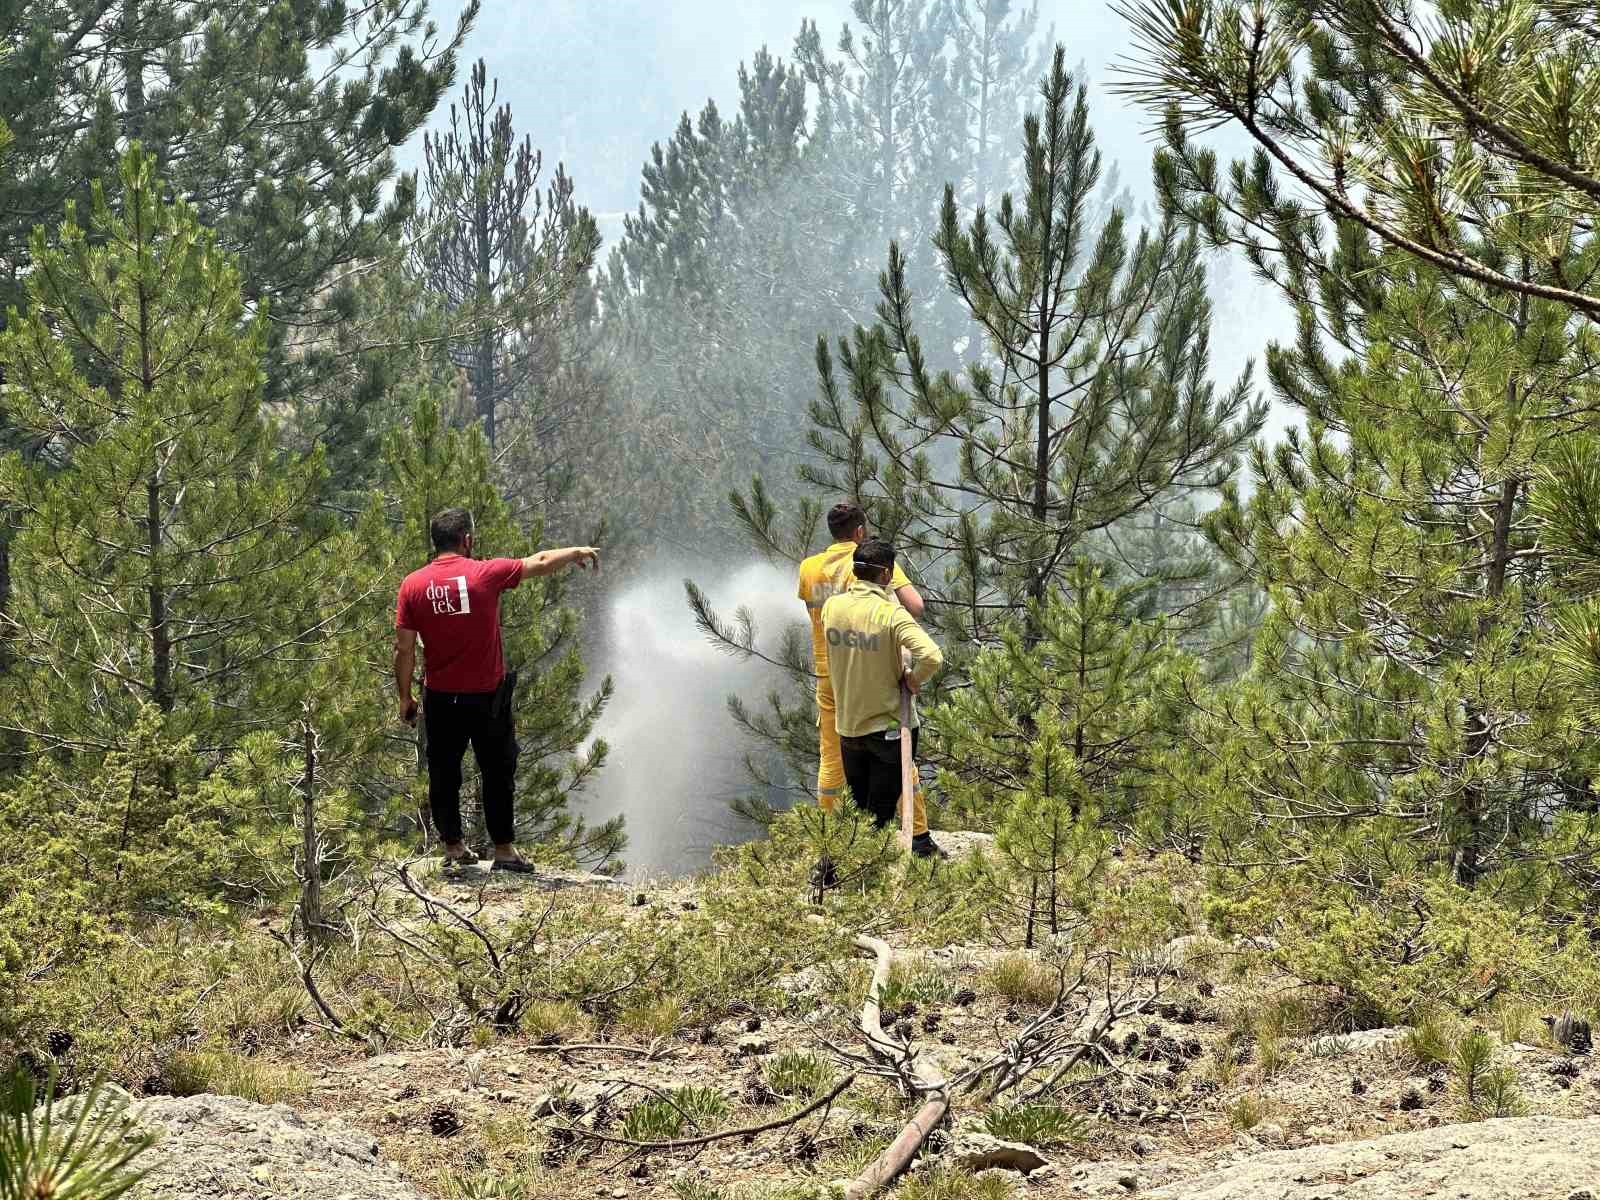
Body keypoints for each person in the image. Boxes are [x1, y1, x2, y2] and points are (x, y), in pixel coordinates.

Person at [394, 507, 599, 871]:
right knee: (497, 771)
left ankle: (454, 849)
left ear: (435, 540)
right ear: (467, 539)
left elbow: (404, 649)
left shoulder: (412, 585)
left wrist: (405, 697)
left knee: (444, 773)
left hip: (440, 698)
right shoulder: (484, 573)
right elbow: (540, 560)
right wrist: (576, 552)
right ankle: (503, 851)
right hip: (487, 698)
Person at [798, 503, 926, 820]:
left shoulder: (809, 568)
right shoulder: (870, 562)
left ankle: (830, 838)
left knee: (831, 759)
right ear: (859, 531)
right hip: (871, 674)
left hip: (829, 674)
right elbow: (915, 605)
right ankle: (918, 834)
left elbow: (815, 618)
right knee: (895, 751)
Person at [819, 537, 945, 858]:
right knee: (880, 816)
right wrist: (914, 681)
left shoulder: (833, 607)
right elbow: (932, 656)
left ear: (855, 571)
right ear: (887, 576)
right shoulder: (891, 614)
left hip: (848, 728)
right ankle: (853, 875)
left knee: (858, 805)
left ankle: (838, 869)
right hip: (889, 729)